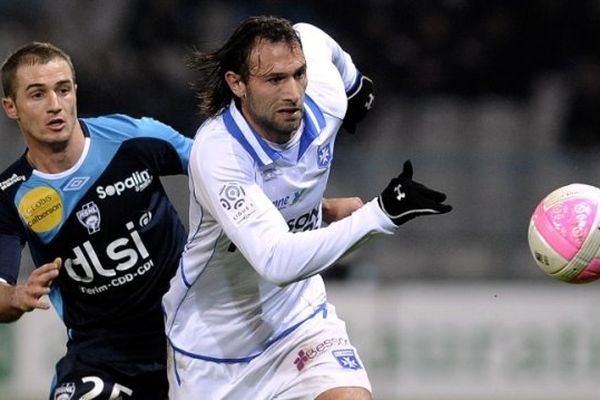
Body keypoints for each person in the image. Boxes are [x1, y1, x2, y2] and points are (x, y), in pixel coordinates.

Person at [162, 15, 452, 400]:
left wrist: (353, 82)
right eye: (275, 80)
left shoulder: (324, 100)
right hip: (215, 349)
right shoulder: (220, 152)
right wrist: (379, 215)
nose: (293, 92)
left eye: (298, 74)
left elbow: (312, 35)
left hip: (300, 319)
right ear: (237, 84)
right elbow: (276, 261)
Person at [0, 41, 193, 400]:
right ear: (11, 107)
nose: (55, 105)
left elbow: (222, 171)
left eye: (63, 89)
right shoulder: (10, 196)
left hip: (193, 340)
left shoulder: (134, 139)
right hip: (103, 361)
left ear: (75, 91)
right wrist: (15, 295)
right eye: (37, 94)